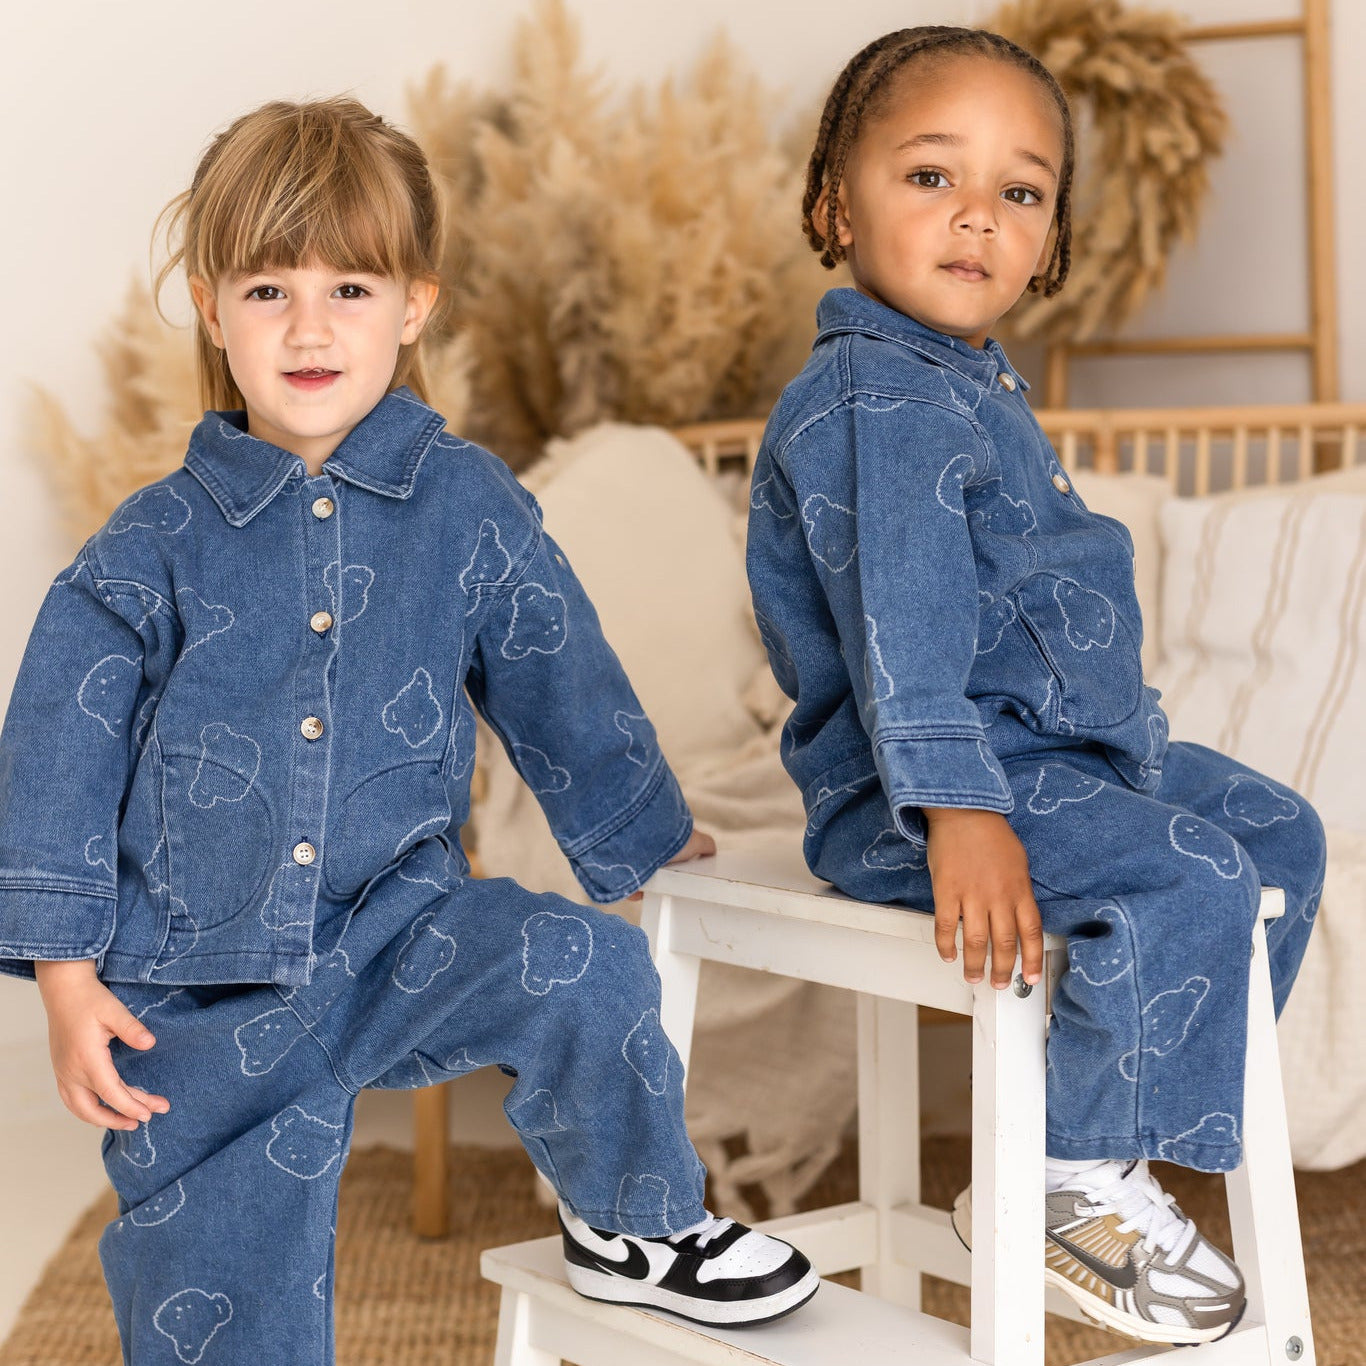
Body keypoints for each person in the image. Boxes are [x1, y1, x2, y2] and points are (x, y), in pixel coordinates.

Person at [0, 97, 818, 1363]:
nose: (311, 325)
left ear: (415, 305)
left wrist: (641, 830)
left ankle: (636, 1221)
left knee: (583, 968)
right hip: (198, 990)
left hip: (404, 932)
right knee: (221, 1299)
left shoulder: (468, 506)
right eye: (268, 289)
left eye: (351, 286)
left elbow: (558, 669)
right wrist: (63, 974)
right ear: (212, 310)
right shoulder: (150, 547)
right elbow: (60, 743)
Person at [745, 26, 1324, 1348]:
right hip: (932, 790)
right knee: (1192, 874)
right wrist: (957, 809)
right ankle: (1064, 1171)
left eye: (1019, 192)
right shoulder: (874, 400)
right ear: (835, 204)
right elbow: (903, 620)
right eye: (928, 176)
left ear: (1050, 237)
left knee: (1280, 835)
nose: (975, 216)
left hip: (1061, 766)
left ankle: (1101, 1145)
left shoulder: (963, 384)